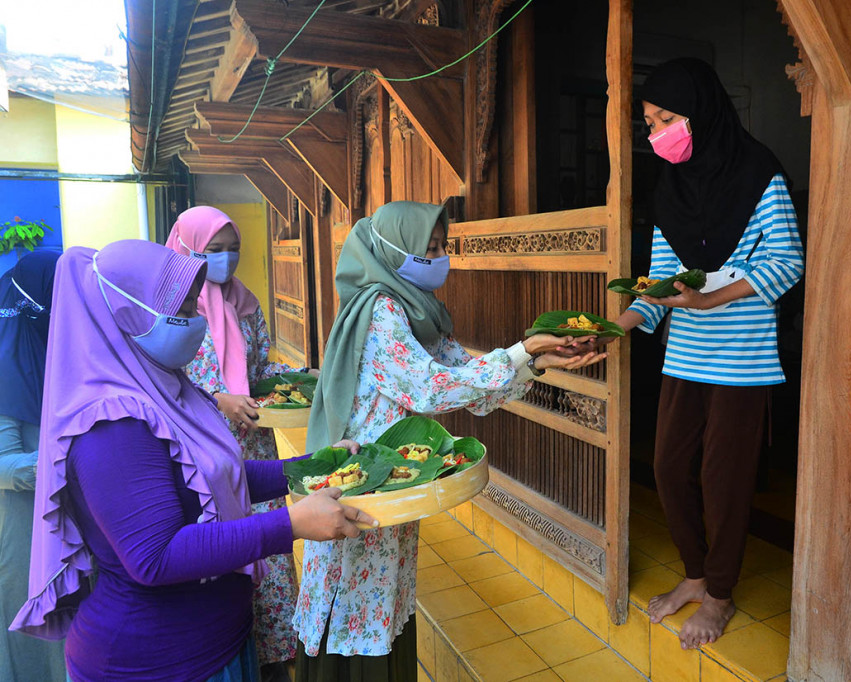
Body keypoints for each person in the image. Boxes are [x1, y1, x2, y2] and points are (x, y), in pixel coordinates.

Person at [9, 240, 376, 681]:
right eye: (180, 308)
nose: (195, 320)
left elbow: (220, 476)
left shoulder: (167, 389)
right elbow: (156, 556)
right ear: (130, 313)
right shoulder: (110, 425)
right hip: (156, 662)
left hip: (219, 639)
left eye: (193, 305)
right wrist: (291, 525)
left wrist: (311, 467)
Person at [293, 201, 606, 680]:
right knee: (351, 593)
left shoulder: (418, 312)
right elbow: (429, 387)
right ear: (393, 249)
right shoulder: (380, 310)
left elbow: (465, 380)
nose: (441, 257)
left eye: (442, 246)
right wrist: (524, 349)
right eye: (429, 248)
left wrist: (541, 362)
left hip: (398, 481)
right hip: (362, 482)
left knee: (385, 593)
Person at [614, 58, 804, 648]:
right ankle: (695, 575)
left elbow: (789, 260)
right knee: (670, 469)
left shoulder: (758, 172)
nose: (657, 132)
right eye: (649, 123)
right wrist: (617, 324)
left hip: (743, 357)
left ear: (701, 111)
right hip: (687, 357)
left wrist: (719, 294)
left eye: (667, 118)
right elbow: (663, 282)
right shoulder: (671, 189)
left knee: (723, 479)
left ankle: (718, 594)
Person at [167, 206, 308, 680]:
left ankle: (274, 658)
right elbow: (165, 382)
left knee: (269, 544)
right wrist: (219, 399)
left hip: (254, 449)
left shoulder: (246, 304)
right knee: (223, 548)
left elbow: (261, 374)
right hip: (199, 449)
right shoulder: (174, 309)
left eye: (233, 251)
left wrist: (300, 379)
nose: (225, 261)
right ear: (188, 250)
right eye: (214, 251)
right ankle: (234, 650)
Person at [0, 251, 66, 682]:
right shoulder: (6, 365)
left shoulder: (54, 354)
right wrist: (69, 461)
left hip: (65, 516)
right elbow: (3, 465)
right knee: (35, 627)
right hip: (25, 526)